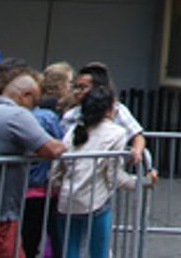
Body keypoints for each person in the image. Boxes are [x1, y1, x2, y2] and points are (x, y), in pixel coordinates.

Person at [0, 66, 66, 258]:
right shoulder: (16, 115)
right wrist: (63, 144)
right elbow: (52, 149)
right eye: (34, 102)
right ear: (25, 95)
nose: (34, 109)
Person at [53, 86, 154, 258]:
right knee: (99, 252)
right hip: (95, 202)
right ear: (109, 109)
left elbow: (56, 171)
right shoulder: (116, 133)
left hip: (67, 201)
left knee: (69, 251)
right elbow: (115, 177)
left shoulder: (74, 130)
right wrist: (143, 182)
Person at [61, 64, 145, 166]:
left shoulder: (117, 110)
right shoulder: (70, 116)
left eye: (83, 87)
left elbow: (137, 135)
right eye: (76, 87)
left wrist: (136, 152)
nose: (77, 92)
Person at [25, 68, 69, 258]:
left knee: (28, 239)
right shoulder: (46, 116)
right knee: (54, 236)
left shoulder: (21, 115)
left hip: (25, 188)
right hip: (43, 188)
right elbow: (61, 146)